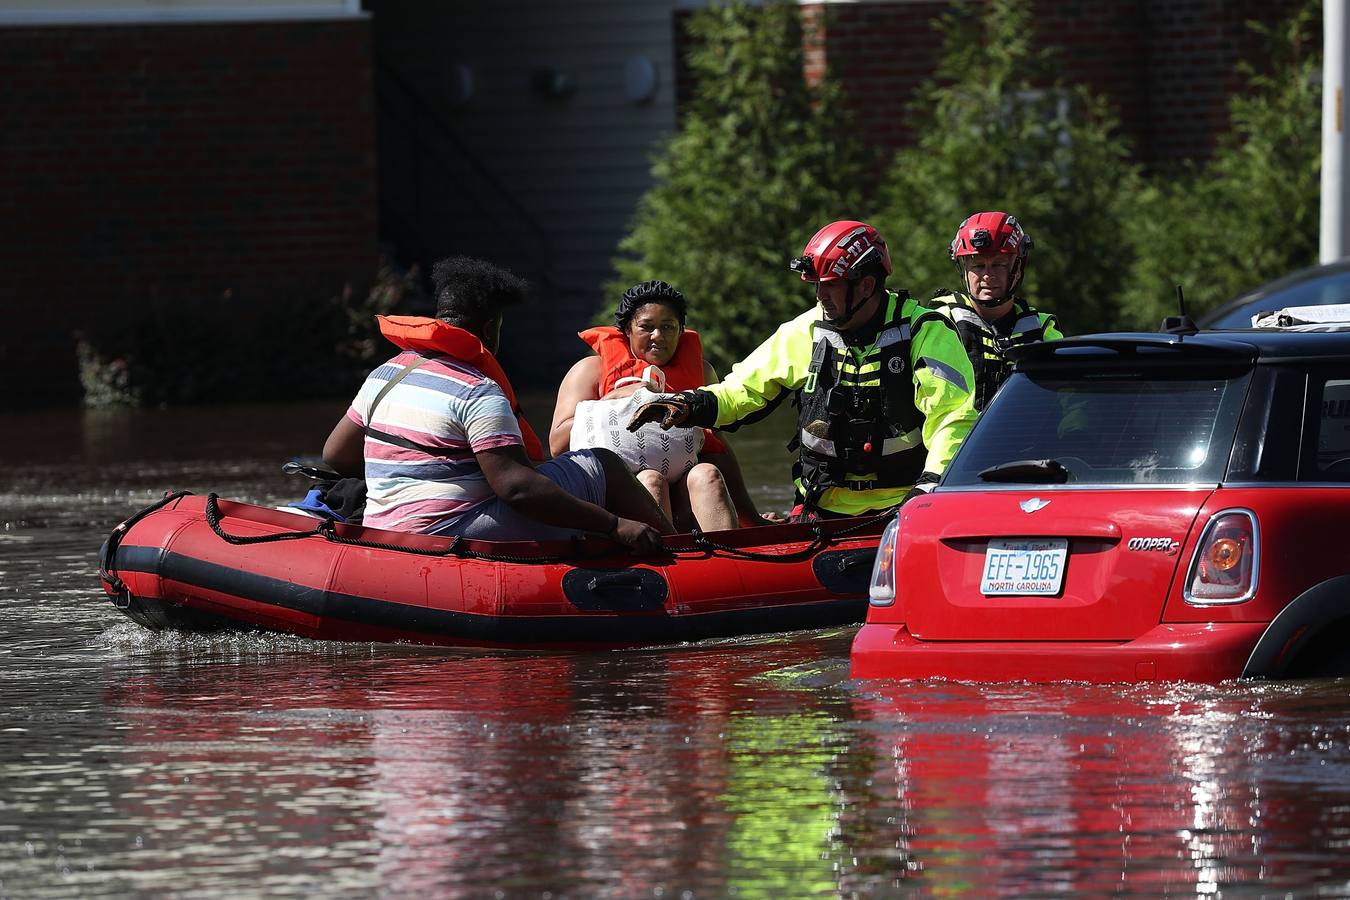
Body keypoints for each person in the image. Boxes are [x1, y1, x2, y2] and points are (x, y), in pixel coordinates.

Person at [628, 220, 979, 520]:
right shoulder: (807, 330)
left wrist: (930, 487)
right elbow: (745, 391)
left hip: (907, 506)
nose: (820, 296)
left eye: (831, 285)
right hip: (820, 509)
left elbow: (952, 419)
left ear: (867, 285)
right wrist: (689, 404)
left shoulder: (925, 331)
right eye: (816, 286)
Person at [322, 256, 673, 553]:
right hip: (449, 531)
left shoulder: (387, 372)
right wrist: (613, 524)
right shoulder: (477, 390)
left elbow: (336, 455)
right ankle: (681, 553)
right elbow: (517, 489)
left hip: (384, 528)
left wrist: (408, 476)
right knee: (604, 464)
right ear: (490, 329)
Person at [550, 280, 763, 532]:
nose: (658, 336)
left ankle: (728, 552)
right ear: (627, 329)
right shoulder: (589, 371)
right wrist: (611, 401)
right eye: (646, 327)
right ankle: (658, 555)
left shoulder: (702, 373)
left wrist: (754, 519)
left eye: (668, 327)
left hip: (682, 493)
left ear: (681, 330)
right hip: (618, 492)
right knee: (651, 480)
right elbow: (557, 446)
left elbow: (716, 446)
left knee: (708, 474)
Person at [929, 212, 1063, 411]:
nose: (987, 275)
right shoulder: (937, 324)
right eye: (978, 266)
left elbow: (1068, 404)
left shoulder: (1043, 331)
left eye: (999, 264)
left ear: (1018, 267)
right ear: (964, 270)